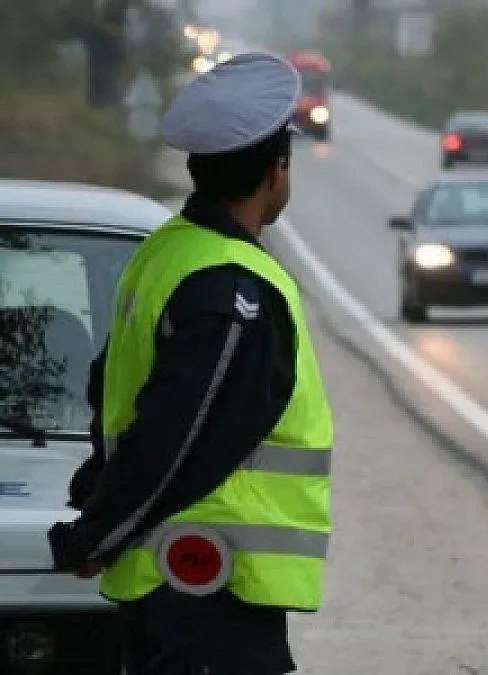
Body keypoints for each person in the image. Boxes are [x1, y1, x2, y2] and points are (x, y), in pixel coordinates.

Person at [47, 51, 334, 675]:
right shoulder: (234, 286)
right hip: (209, 582)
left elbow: (112, 388)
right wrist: (98, 530)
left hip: (170, 585)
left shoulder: (166, 252)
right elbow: (177, 434)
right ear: (277, 173)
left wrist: (99, 496)